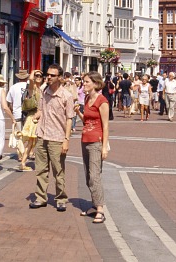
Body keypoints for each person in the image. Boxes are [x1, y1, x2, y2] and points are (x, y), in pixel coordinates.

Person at [29, 63, 74, 212]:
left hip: (57, 137)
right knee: (41, 169)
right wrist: (36, 116)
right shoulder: (44, 92)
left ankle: (61, 198)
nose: (48, 77)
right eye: (47, 74)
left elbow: (69, 119)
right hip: (42, 135)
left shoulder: (66, 96)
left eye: (52, 75)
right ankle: (41, 197)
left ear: (60, 78)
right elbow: (41, 110)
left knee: (58, 171)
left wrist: (66, 140)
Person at [73, 72, 109, 224]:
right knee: (88, 176)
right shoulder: (87, 98)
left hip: (96, 141)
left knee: (95, 176)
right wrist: (78, 113)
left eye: (87, 82)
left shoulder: (102, 101)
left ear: (95, 83)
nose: (84, 84)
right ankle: (94, 204)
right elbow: (87, 120)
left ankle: (100, 209)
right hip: (85, 139)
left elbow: (106, 125)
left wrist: (104, 147)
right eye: (83, 81)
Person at [19, 70, 44, 171]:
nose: (38, 77)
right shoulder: (32, 88)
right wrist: (34, 71)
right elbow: (30, 79)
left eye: (40, 76)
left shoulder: (41, 89)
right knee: (31, 142)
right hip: (33, 117)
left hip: (40, 118)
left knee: (36, 143)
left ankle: (26, 162)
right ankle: (23, 162)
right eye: (37, 75)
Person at [6, 69, 30, 138]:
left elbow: (9, 102)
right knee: (28, 137)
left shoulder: (13, 87)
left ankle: (20, 148)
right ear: (27, 77)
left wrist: (12, 111)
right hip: (28, 114)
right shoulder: (30, 87)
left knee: (18, 136)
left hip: (17, 114)